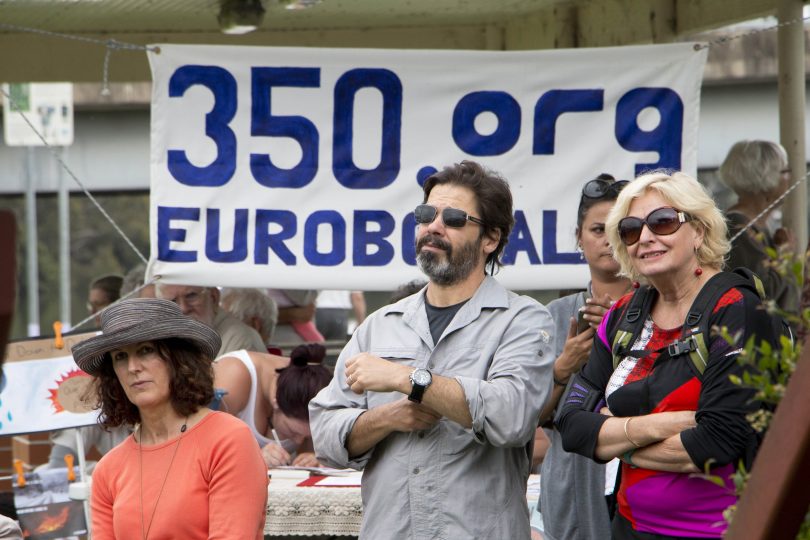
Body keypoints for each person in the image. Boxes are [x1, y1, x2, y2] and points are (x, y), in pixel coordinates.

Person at [309, 160, 555, 539]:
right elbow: (325, 436)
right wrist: (386, 418)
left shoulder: (523, 320)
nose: (433, 227)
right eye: (426, 214)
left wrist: (409, 379)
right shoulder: (380, 325)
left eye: (454, 218)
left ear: (490, 238)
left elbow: (511, 416)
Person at [556, 171, 777, 539]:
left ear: (699, 231)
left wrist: (615, 438)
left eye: (662, 222)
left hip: (718, 531)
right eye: (631, 229)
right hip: (628, 527)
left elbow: (717, 442)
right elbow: (572, 426)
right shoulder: (623, 315)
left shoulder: (736, 308)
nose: (645, 237)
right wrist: (664, 425)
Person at [72, 298, 268, 539]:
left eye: (146, 350)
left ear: (178, 358)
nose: (133, 366)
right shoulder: (108, 469)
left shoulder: (228, 439)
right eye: (120, 356)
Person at [535, 174, 633, 540]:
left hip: (639, 479)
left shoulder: (665, 310)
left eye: (620, 229)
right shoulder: (554, 317)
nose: (608, 240)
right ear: (579, 237)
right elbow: (528, 418)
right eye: (597, 229)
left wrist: (621, 329)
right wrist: (565, 366)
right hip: (572, 484)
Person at [214, 344, 332, 468]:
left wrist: (314, 459)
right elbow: (201, 447)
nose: (298, 441)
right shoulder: (234, 376)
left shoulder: (313, 389)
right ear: (276, 400)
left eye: (308, 435)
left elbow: (310, 459)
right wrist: (251, 457)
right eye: (292, 432)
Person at [720, 140, 799, 315]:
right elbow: (763, 291)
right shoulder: (739, 229)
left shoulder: (754, 224)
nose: (790, 178)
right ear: (766, 176)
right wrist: (784, 253)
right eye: (785, 171)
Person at [156, 283, 266, 355]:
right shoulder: (167, 341)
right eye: (172, 301)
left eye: (191, 296)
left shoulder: (240, 339)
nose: (183, 308)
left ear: (214, 297)